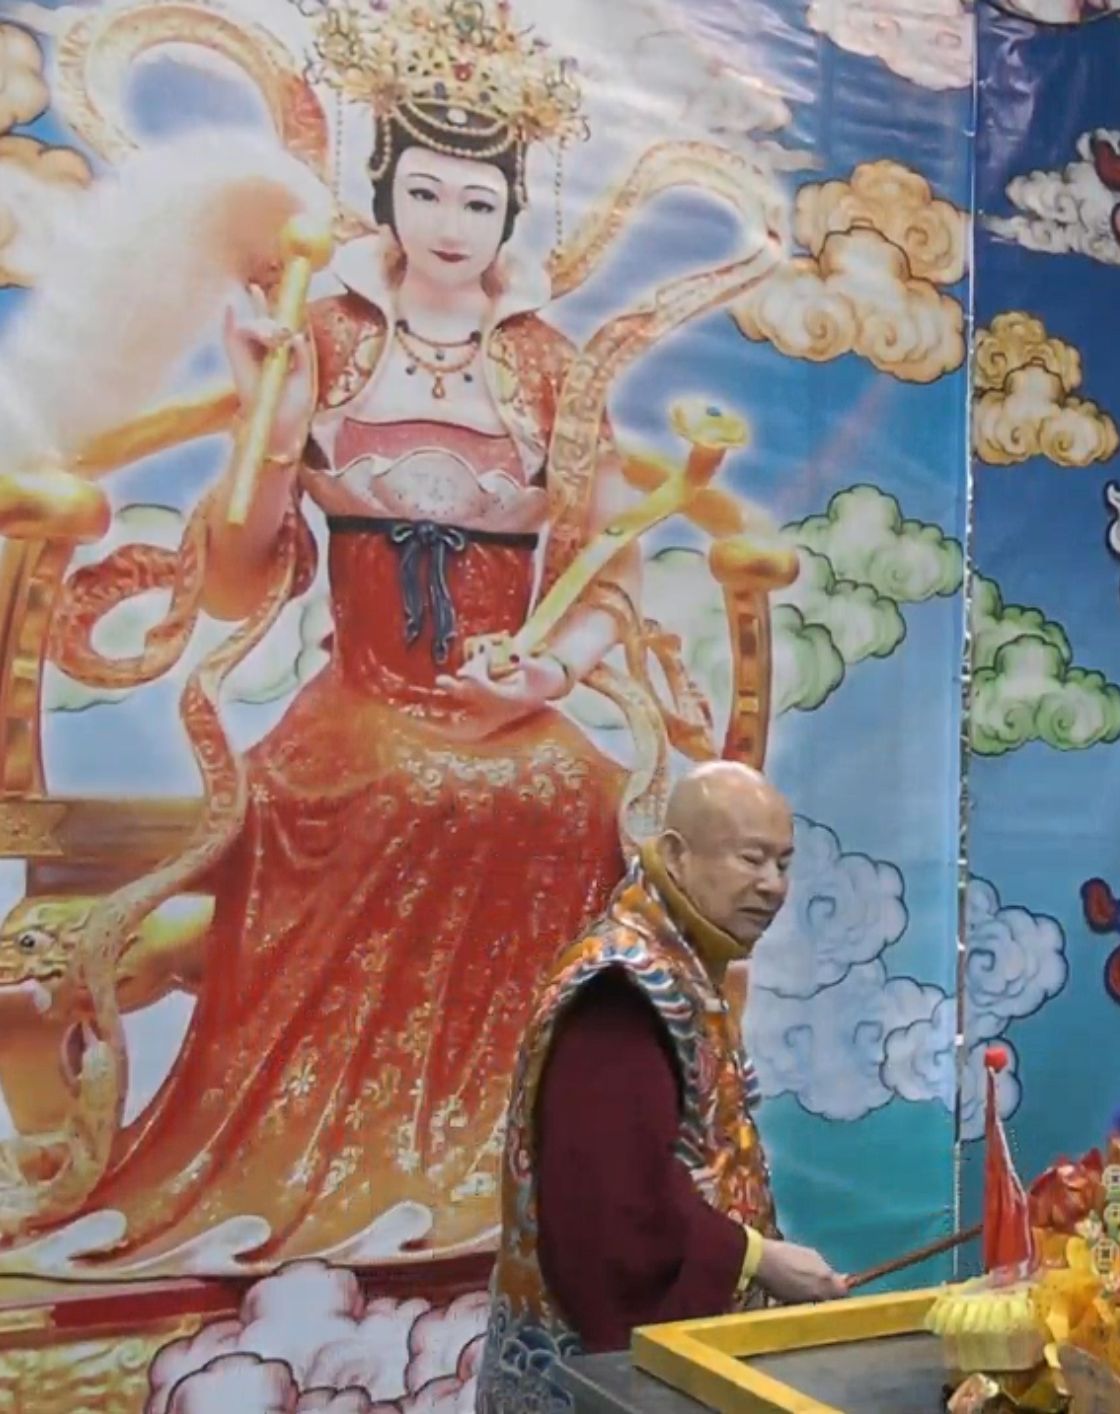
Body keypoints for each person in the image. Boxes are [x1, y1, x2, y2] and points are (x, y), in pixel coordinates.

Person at [13, 1, 640, 1272]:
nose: (450, 224)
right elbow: (240, 577)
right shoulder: (326, 333)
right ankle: (321, 1161)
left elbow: (603, 568)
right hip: (363, 701)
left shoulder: (551, 368)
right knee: (399, 788)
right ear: (385, 192)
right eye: (426, 192)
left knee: (575, 788)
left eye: (478, 201)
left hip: (508, 705)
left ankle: (516, 1166)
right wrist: (269, 409)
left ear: (512, 214)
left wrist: (548, 669)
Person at [479, 762, 847, 1411]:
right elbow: (613, 1210)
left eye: (784, 863)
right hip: (595, 1380)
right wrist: (755, 1258)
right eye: (751, 859)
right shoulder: (624, 990)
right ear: (676, 855)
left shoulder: (684, 969)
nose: (773, 885)